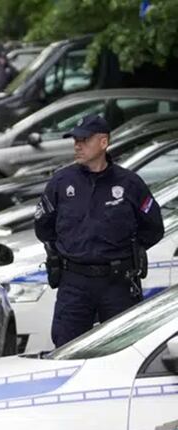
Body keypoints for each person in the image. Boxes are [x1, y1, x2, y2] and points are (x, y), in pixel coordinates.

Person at [35, 114, 164, 348]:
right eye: (75, 140)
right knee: (67, 348)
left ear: (103, 142)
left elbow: (153, 228)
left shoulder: (129, 184)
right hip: (74, 282)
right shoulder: (62, 182)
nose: (77, 145)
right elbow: (43, 227)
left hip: (117, 283)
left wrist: (126, 251)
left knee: (125, 349)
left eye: (84, 140)